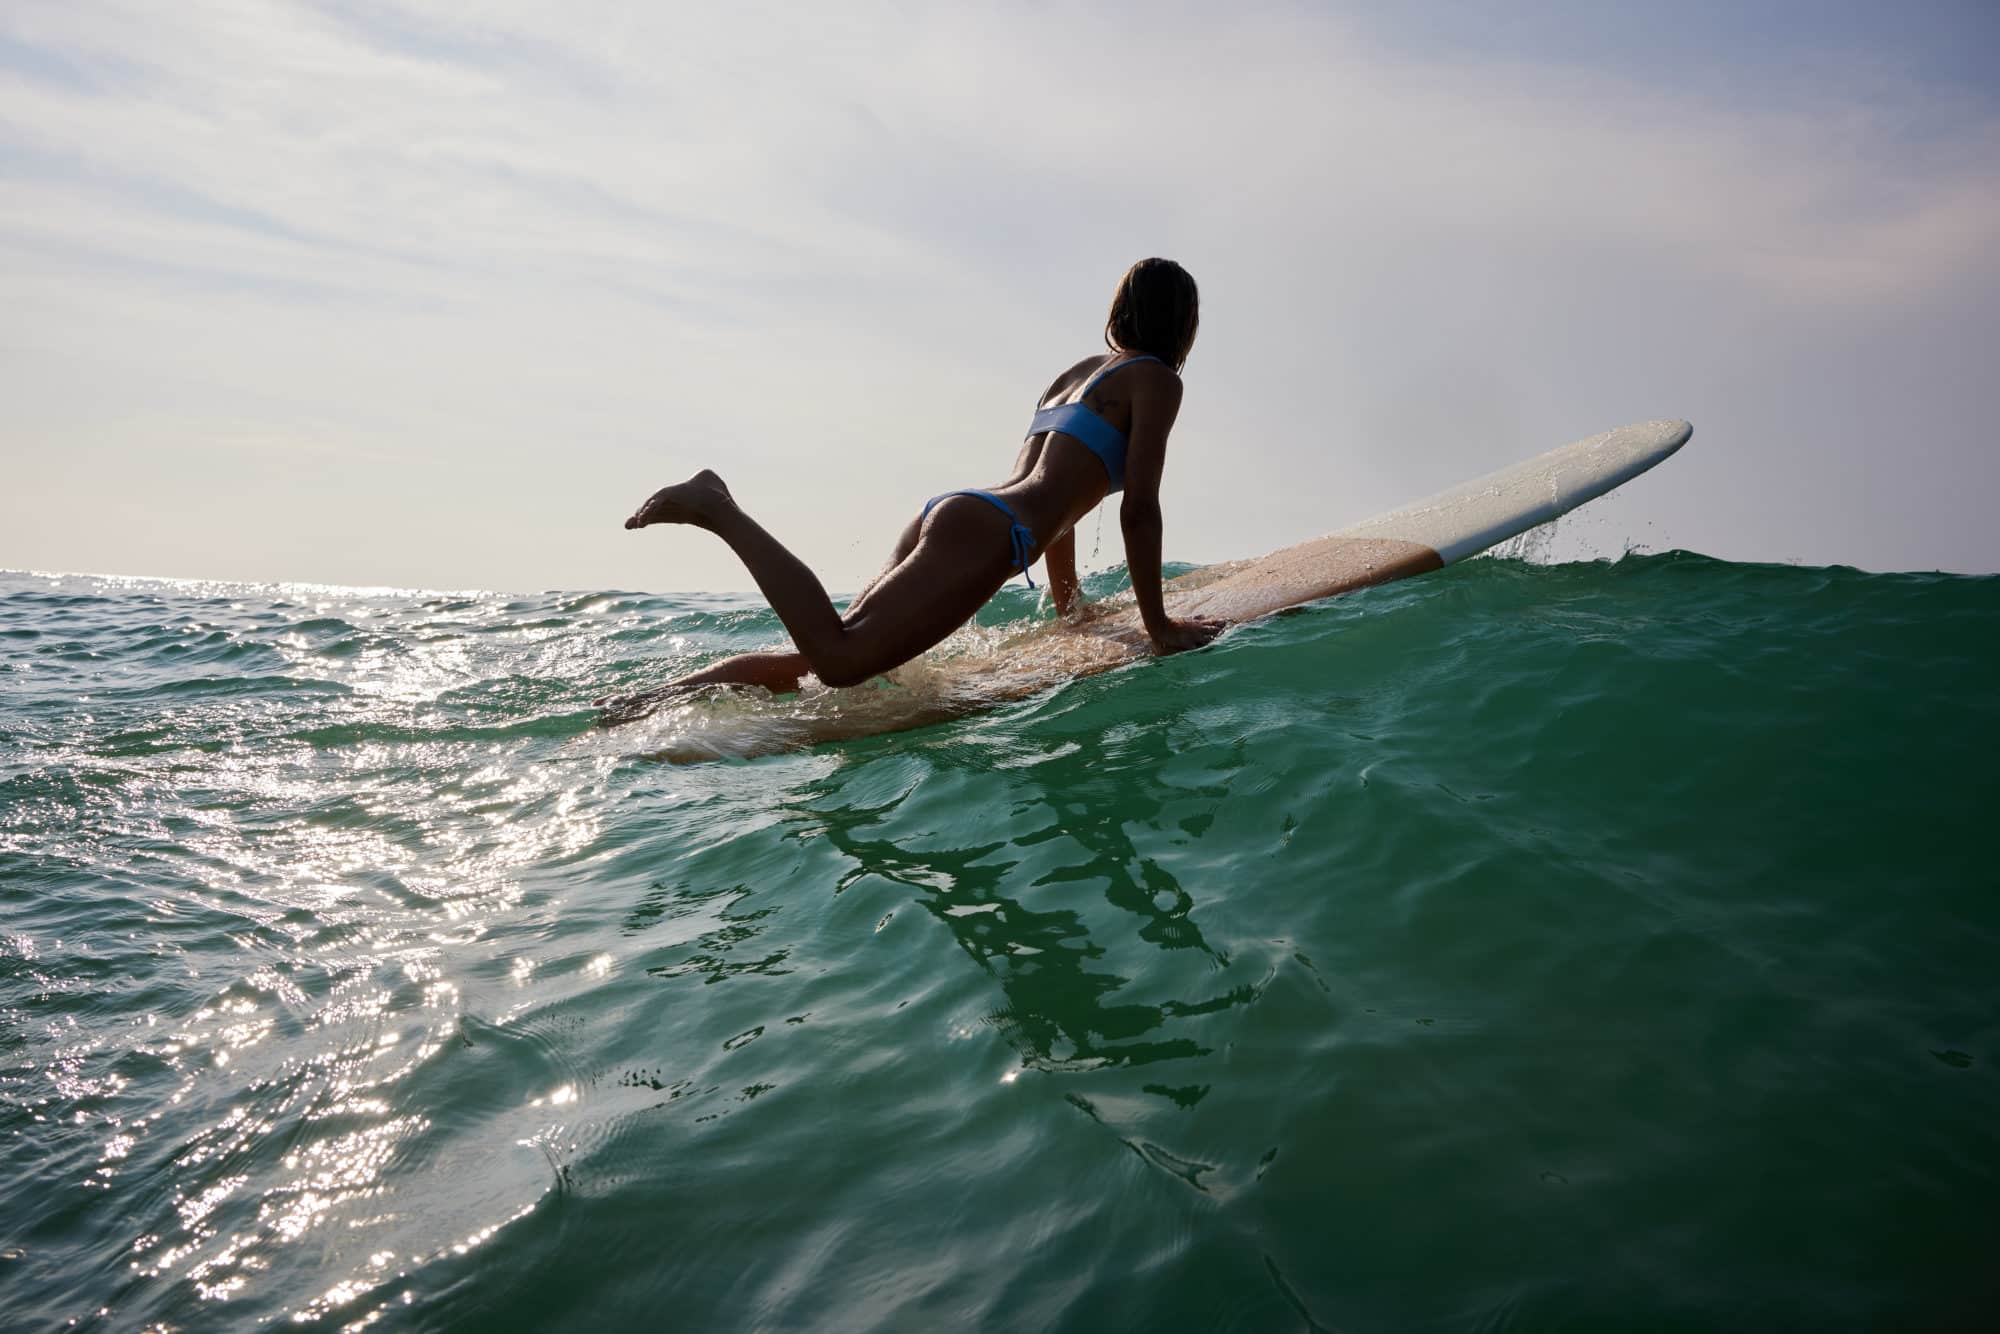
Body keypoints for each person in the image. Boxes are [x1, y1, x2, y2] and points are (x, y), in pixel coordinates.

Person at [615, 257, 1223, 704]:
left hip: (965, 510)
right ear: (1181, 323)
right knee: (839, 659)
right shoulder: (1156, 380)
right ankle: (720, 510)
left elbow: (1056, 497)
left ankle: (643, 703)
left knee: (819, 656)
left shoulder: (1079, 373)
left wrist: (1070, 607)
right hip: (991, 535)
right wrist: (1158, 626)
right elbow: (1139, 508)